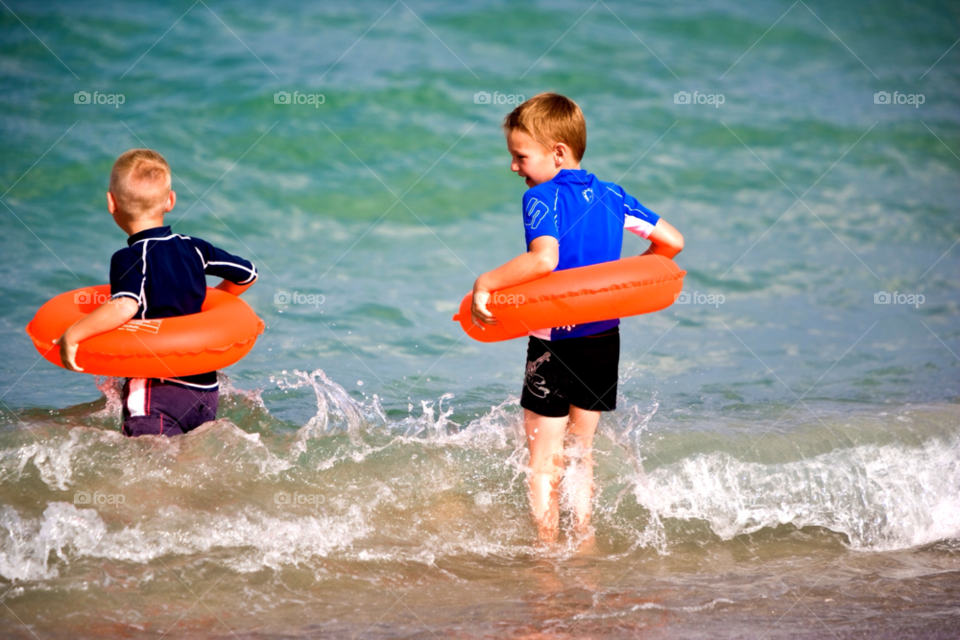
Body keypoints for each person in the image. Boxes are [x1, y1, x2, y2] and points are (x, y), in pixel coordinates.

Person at [470, 93, 684, 544]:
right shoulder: (613, 194)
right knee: (581, 452)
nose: (514, 167)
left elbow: (544, 260)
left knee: (544, 457)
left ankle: (546, 552)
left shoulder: (541, 197)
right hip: (604, 338)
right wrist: (630, 276)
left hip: (554, 341)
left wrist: (486, 283)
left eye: (520, 156)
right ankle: (584, 541)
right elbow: (672, 242)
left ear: (558, 153)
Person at [56, 149, 258, 437]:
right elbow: (248, 274)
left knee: (147, 473)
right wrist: (211, 301)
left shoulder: (129, 257)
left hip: (155, 389)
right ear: (170, 201)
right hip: (204, 389)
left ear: (111, 203)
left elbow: (125, 305)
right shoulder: (196, 248)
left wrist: (73, 334)